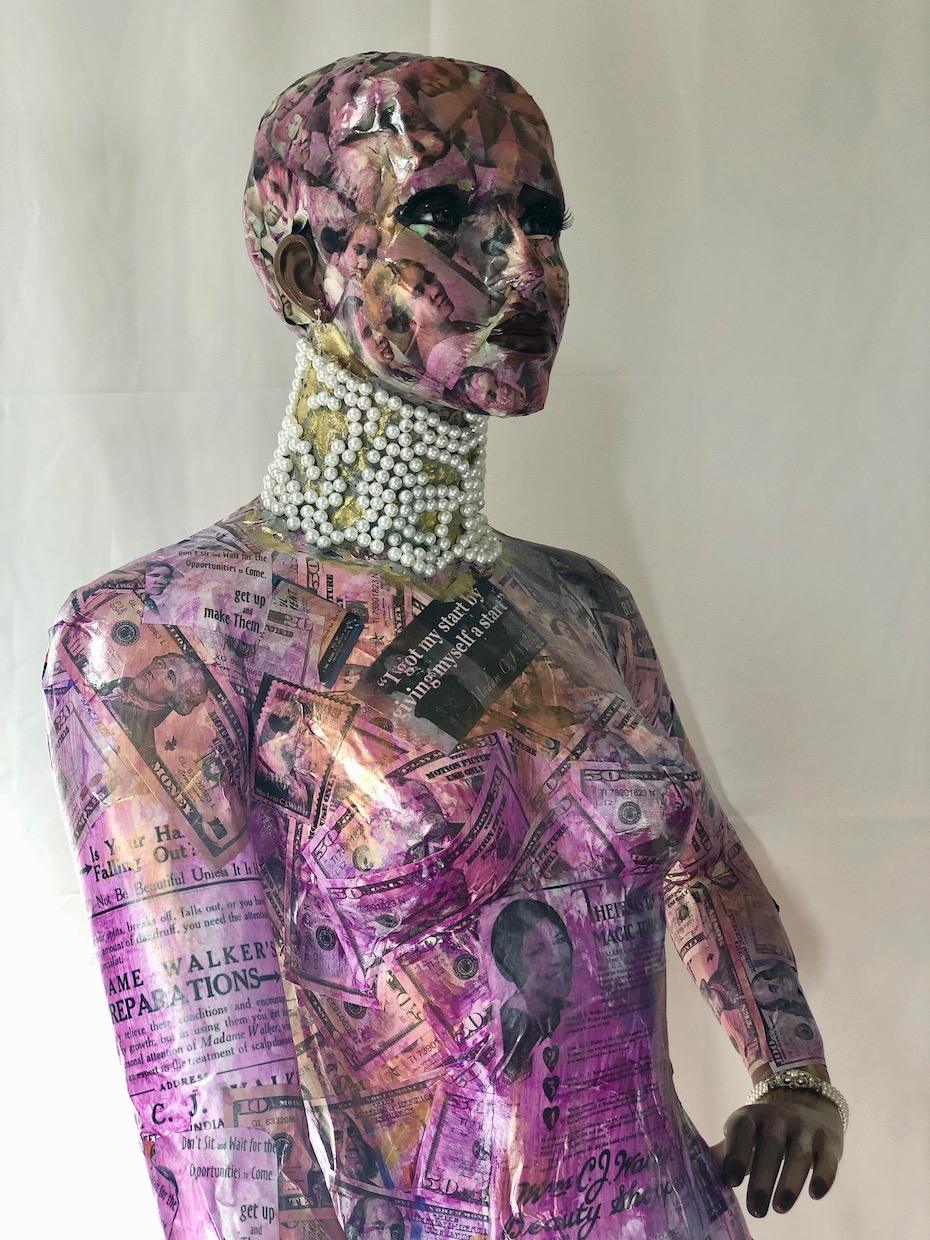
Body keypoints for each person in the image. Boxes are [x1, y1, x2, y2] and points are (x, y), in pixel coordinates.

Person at [44, 52, 847, 1240]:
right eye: (443, 215)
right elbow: (220, 1120)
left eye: (543, 219)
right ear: (307, 266)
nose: (529, 269)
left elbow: (705, 860)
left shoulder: (585, 607)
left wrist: (794, 1068)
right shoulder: (165, 638)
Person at [490, 898, 574, 1081]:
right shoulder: (504, 1037)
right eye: (537, 951)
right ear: (513, 966)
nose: (557, 958)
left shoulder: (569, 1013)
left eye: (559, 940)